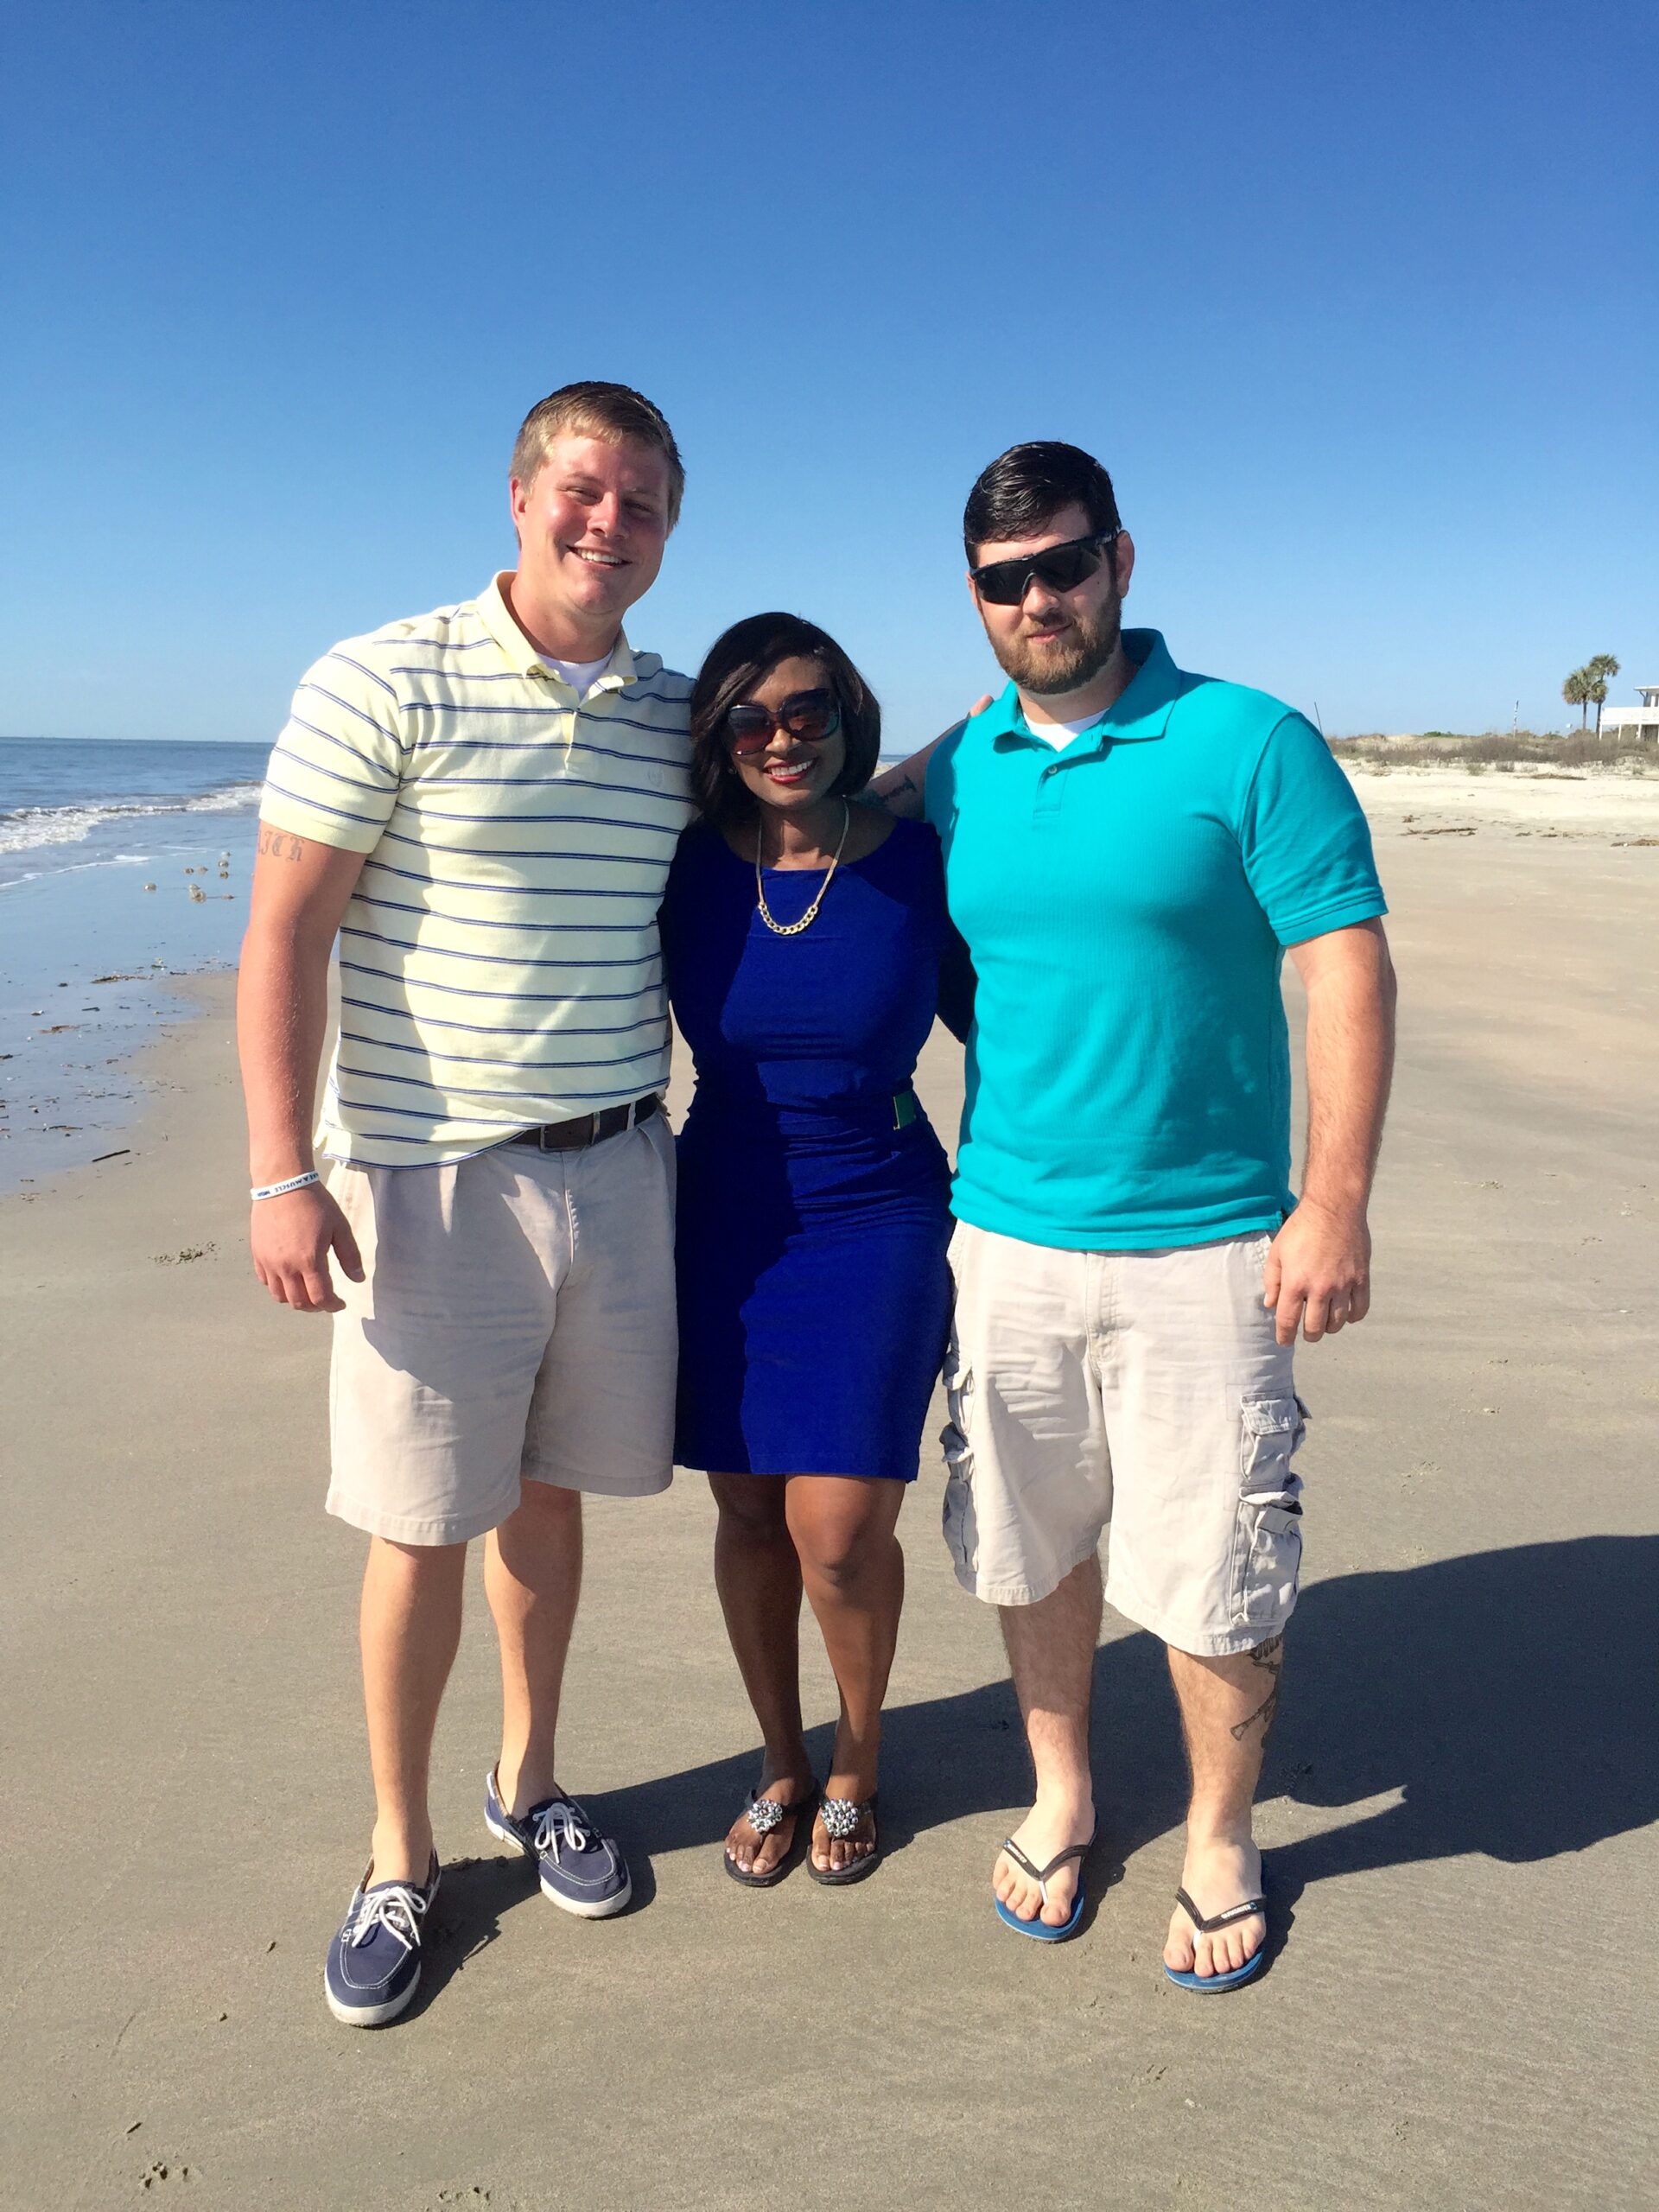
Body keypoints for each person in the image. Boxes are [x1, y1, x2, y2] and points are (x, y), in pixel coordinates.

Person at [876, 441, 1395, 1986]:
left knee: (1215, 1554)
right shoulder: (962, 771)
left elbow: (1344, 965)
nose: (1041, 598)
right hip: (1010, 1234)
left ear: (1121, 559)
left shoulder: (1251, 743)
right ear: (972, 599)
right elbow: (821, 813)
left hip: (1216, 1244)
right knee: (1027, 1544)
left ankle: (1223, 1833)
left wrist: (1335, 1203)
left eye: (1065, 564)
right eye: (1004, 580)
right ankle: (1065, 1791)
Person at [238, 381, 692, 2026]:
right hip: (427, 1187)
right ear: (518, 496)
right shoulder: (383, 675)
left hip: (623, 1165)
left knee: (549, 1498)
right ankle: (399, 1856)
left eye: (642, 503)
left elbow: (814, 801)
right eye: (584, 491)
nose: (608, 524)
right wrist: (282, 1171)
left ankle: (532, 1777)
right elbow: (285, 929)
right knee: (419, 1523)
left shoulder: (671, 713)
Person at [660, 614, 955, 1885]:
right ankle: (781, 1760)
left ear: (849, 714)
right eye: (752, 720)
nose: (783, 739)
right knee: (745, 1511)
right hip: (725, 1205)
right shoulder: (678, 865)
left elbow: (1017, 1018)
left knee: (837, 1528)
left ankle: (859, 1761)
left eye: (808, 711)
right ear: (719, 738)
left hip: (878, 1209)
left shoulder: (921, 861)